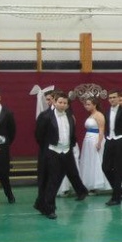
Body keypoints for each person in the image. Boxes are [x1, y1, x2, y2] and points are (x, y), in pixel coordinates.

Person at [35, 91, 85, 219]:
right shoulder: (45, 116)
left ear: (67, 104)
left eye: (64, 103)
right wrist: (48, 149)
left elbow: (71, 134)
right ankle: (49, 208)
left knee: (69, 174)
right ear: (54, 102)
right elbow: (39, 135)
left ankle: (42, 204)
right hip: (53, 152)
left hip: (67, 151)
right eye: (60, 102)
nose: (62, 105)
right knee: (53, 180)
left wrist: (70, 146)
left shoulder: (69, 116)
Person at [101, 91, 122, 205]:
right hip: (109, 141)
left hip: (120, 142)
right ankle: (119, 190)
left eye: (114, 97)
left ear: (118, 98)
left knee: (118, 169)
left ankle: (116, 198)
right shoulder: (107, 111)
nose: (112, 99)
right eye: (110, 98)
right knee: (105, 167)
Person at [77, 96, 108, 193]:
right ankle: (90, 184)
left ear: (95, 105)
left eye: (88, 104)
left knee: (97, 160)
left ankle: (99, 183)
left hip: (95, 139)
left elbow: (101, 130)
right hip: (88, 140)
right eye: (85, 104)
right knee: (89, 161)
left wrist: (99, 142)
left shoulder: (99, 115)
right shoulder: (91, 115)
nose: (86, 106)